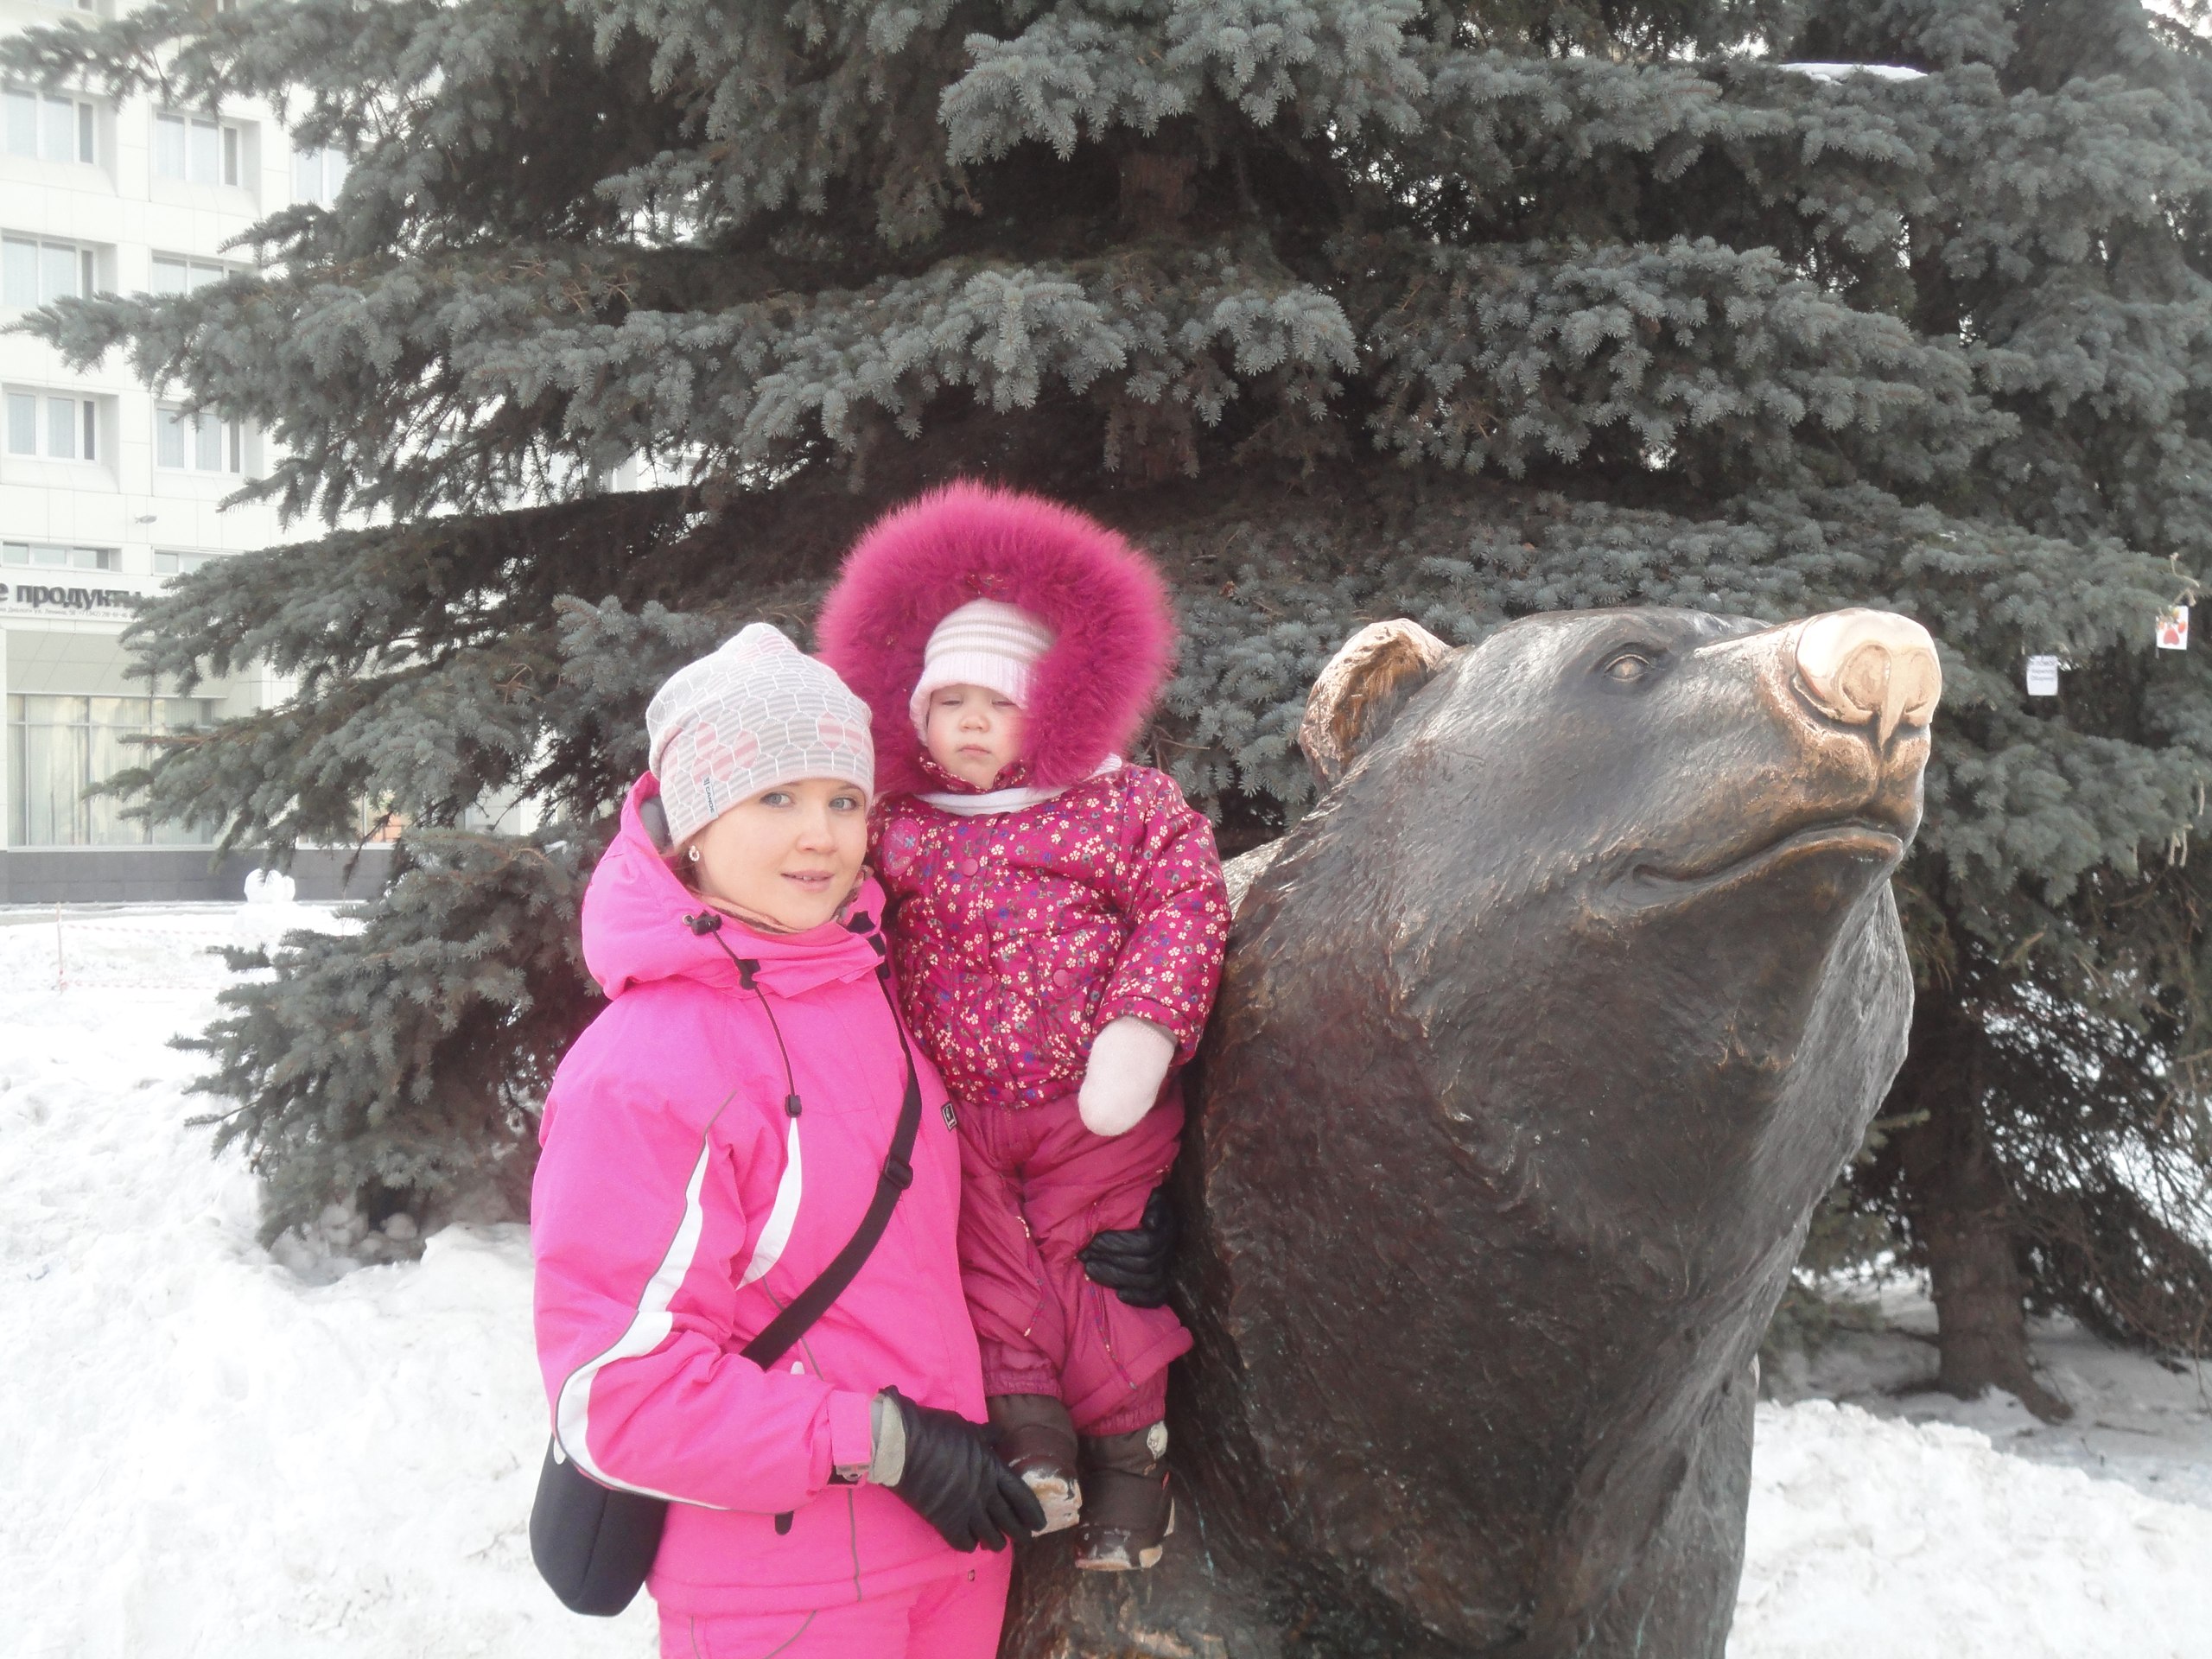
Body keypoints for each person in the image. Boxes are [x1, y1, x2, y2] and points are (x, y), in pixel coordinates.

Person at [529, 622, 1047, 1658]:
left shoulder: (873, 997)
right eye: (775, 798)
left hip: (955, 1557)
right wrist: (884, 1444)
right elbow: (618, 1399)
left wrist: (1103, 1237)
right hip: (782, 1596)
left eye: (843, 801)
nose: (821, 837)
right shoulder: (644, 1069)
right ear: (693, 826)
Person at [818, 482, 1231, 1573]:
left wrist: (1140, 1029)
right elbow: (845, 920)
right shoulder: (900, 826)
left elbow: (1185, 901)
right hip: (959, 1115)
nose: (967, 723)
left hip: (1093, 1106)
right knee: (991, 1277)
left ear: (1048, 709)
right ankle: (1034, 1446)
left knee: (1100, 1277)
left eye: (996, 703)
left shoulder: (1120, 804)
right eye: (946, 701)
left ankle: (1133, 1472)